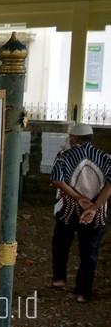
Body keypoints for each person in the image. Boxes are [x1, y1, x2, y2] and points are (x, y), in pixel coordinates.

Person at [50, 123, 111, 302]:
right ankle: (82, 293)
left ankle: (59, 279)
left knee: (61, 243)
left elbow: (57, 180)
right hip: (96, 213)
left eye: (71, 137)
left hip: (69, 209)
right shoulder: (106, 158)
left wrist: (79, 199)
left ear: (75, 138)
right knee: (89, 251)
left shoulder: (64, 156)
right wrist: (93, 207)